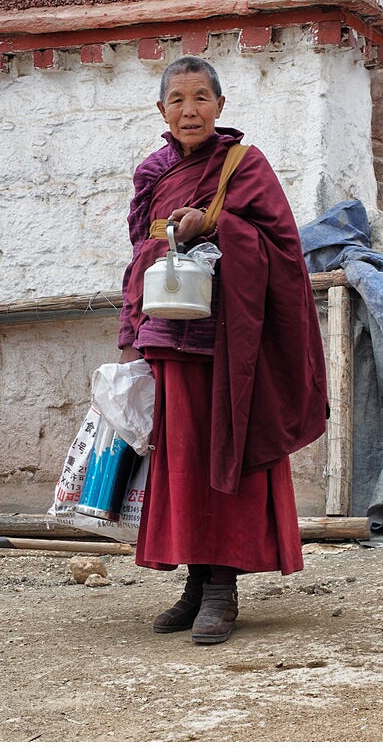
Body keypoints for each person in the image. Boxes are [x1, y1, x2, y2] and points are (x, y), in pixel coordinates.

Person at [118, 56, 328, 645]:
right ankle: (192, 580)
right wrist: (133, 329)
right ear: (162, 110)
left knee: (224, 455)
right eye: (178, 99)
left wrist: (215, 227)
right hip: (169, 335)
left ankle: (221, 588)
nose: (190, 110)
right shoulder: (152, 172)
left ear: (220, 106)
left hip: (231, 339)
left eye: (202, 98)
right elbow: (139, 252)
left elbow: (281, 248)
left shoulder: (246, 165)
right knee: (179, 462)